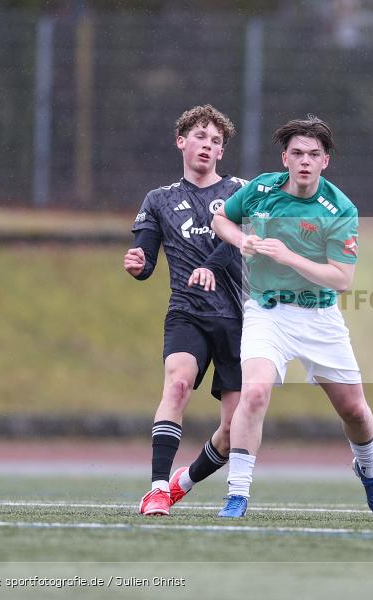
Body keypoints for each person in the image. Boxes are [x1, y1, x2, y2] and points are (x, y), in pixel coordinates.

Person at [210, 115, 373, 519]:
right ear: (285, 158)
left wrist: (288, 255)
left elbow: (342, 279)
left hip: (319, 317)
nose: (304, 161)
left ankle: (371, 474)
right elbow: (220, 218)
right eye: (297, 153)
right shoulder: (261, 189)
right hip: (267, 312)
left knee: (356, 412)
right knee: (254, 393)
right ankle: (237, 494)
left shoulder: (340, 208)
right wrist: (241, 239)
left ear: (325, 160)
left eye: (313, 154)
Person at [124, 104, 247, 516]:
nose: (208, 146)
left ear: (222, 152)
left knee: (232, 433)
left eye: (216, 141)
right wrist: (138, 264)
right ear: (181, 142)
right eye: (200, 137)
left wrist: (213, 267)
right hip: (187, 313)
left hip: (239, 320)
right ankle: (157, 488)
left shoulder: (239, 193)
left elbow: (239, 246)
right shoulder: (159, 200)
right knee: (177, 384)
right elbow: (146, 259)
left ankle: (185, 481)